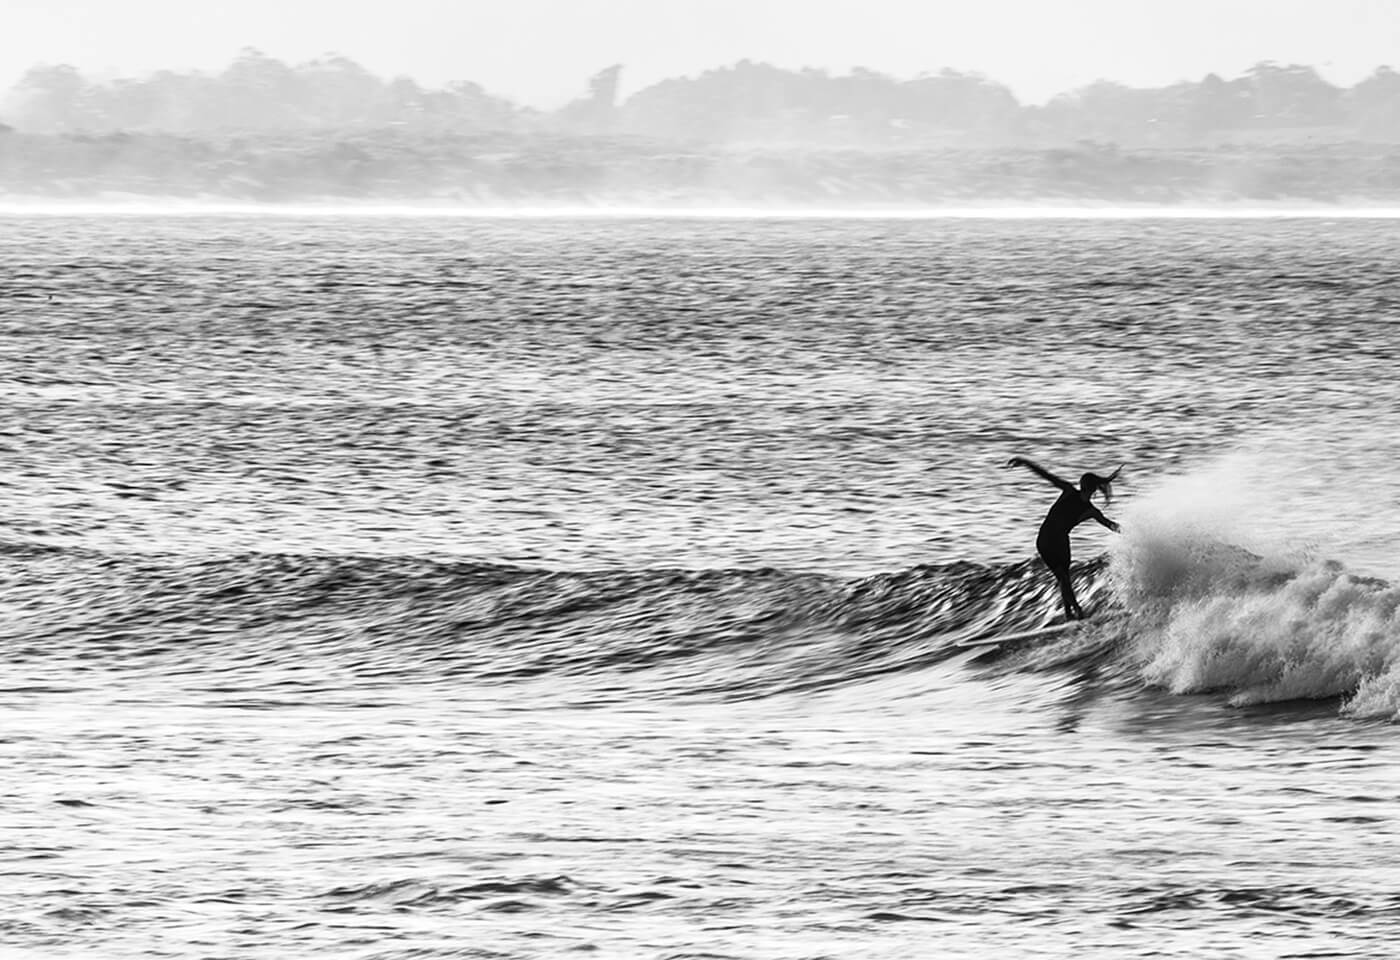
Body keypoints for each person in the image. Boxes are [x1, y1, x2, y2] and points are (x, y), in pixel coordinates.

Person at [1006, 457, 1122, 620]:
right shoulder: (1069, 492)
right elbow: (1046, 476)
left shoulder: (1091, 510)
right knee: (1063, 577)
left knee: (1064, 578)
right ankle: (1077, 610)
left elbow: (1110, 525)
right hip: (1046, 540)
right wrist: (1026, 463)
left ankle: (1069, 614)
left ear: (1090, 488)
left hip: (1061, 542)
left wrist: (1133, 533)